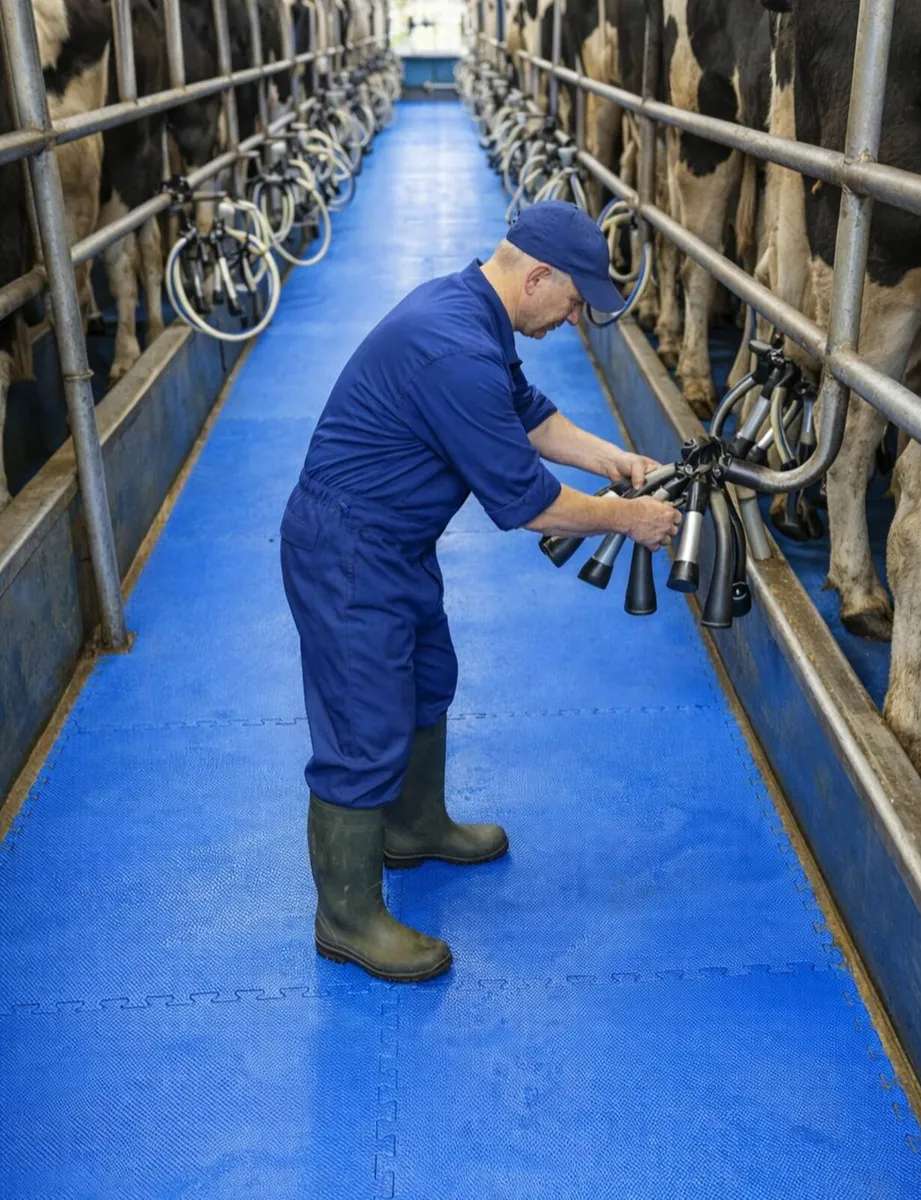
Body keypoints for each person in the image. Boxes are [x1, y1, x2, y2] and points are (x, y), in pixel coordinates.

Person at [280, 200, 681, 984]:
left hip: (395, 542)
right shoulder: (453, 349)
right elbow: (530, 505)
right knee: (363, 729)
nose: (573, 319)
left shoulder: (476, 314)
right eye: (572, 302)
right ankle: (346, 918)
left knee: (429, 679)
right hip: (349, 552)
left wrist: (614, 460)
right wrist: (629, 517)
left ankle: (415, 825)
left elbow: (529, 417)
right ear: (537, 276)